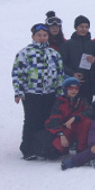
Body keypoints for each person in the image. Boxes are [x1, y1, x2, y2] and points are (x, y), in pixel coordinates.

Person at [13, 23, 64, 160]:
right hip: (32, 93)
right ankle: (28, 148)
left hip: (50, 92)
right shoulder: (25, 53)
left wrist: (60, 91)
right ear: (33, 36)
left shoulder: (53, 53)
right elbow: (17, 73)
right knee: (31, 120)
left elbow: (60, 74)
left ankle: (43, 147)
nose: (42, 38)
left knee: (47, 120)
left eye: (45, 35)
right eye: (39, 35)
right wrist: (18, 91)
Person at [33, 76, 92, 159]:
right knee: (55, 151)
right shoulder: (59, 103)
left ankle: (81, 150)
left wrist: (75, 118)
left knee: (87, 122)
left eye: (76, 88)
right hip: (65, 130)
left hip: (78, 128)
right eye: (71, 88)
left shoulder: (82, 101)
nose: (74, 90)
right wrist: (61, 134)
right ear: (65, 89)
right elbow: (54, 120)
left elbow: (89, 111)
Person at [59, 14, 95, 101]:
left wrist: (94, 61)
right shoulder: (67, 45)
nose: (84, 29)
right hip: (71, 83)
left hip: (88, 84)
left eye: (86, 27)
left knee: (86, 108)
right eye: (81, 26)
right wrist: (73, 74)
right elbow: (61, 64)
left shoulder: (94, 45)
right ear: (76, 27)